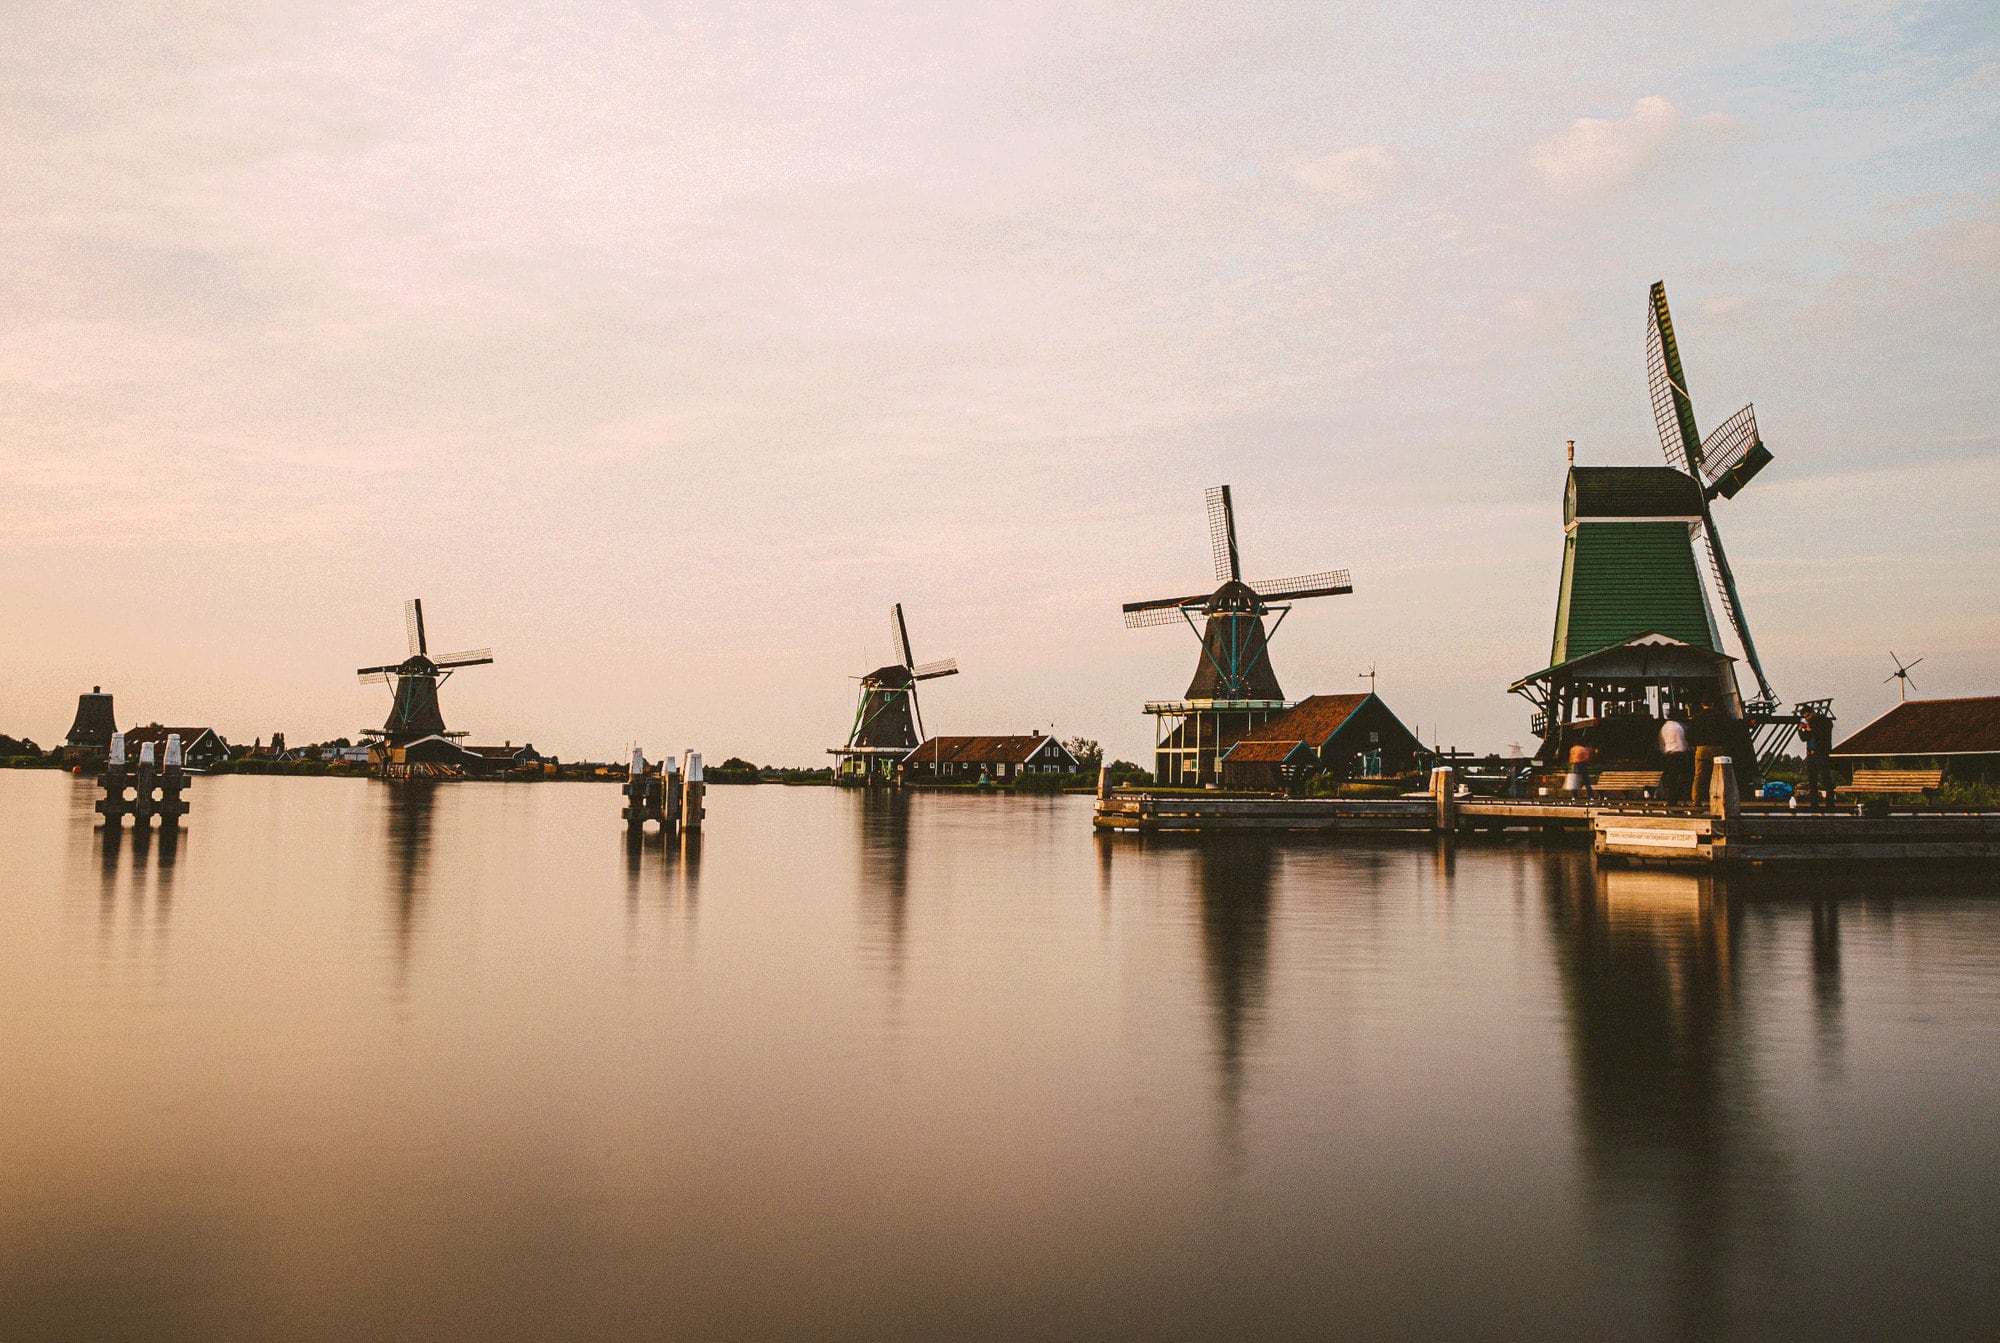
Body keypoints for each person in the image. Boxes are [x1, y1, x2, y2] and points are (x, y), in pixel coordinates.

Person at [1800, 706, 1836, 809]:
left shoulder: (1824, 721)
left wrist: (1810, 729)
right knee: (1812, 779)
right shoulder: (1810, 723)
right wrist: (1800, 730)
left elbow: (1822, 735)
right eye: (1805, 717)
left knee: (1825, 778)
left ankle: (1830, 803)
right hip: (1811, 754)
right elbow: (1804, 738)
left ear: (1813, 712)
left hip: (1821, 753)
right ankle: (1814, 803)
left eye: (1808, 716)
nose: (1807, 719)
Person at [1659, 712, 1692, 802]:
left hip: (1669, 754)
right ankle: (1684, 797)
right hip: (1681, 754)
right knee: (1683, 777)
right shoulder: (1680, 726)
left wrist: (1664, 752)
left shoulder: (1664, 727)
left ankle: (1671, 798)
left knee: (1672, 778)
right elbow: (1685, 740)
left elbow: (1661, 743)